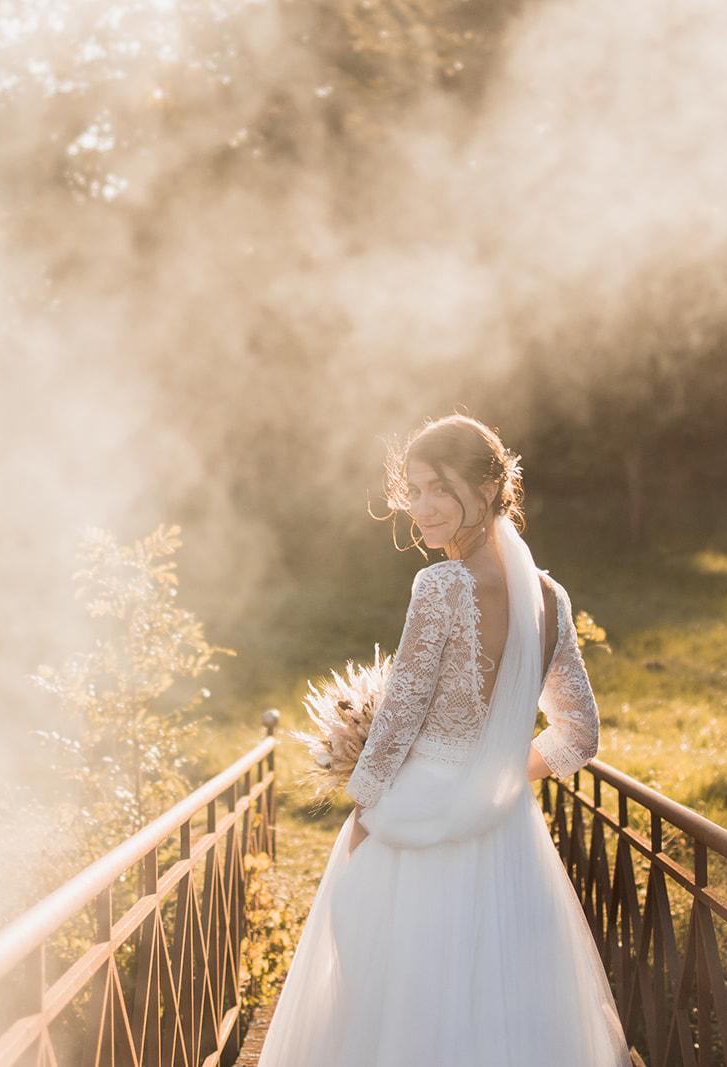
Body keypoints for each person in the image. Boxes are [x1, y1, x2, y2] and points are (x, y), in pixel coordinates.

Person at [257, 414, 630, 1066]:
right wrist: (502, 775)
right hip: (509, 838)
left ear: (488, 489)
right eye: (413, 488)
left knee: (400, 1012)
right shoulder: (550, 597)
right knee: (503, 1015)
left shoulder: (442, 586)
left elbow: (397, 723)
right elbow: (579, 735)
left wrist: (364, 816)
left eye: (438, 488)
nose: (420, 507)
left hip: (417, 833)